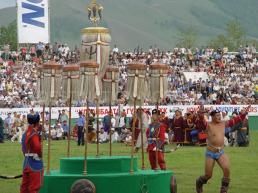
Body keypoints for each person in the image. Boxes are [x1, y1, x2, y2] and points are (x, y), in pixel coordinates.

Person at [196, 106, 250, 193]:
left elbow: (235, 120)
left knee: (227, 169)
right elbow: (202, 120)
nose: (219, 117)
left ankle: (223, 190)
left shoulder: (223, 123)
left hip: (220, 152)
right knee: (208, 175)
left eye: (220, 115)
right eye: (217, 115)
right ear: (212, 117)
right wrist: (201, 113)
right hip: (210, 153)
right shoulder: (208, 125)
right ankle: (199, 182)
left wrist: (243, 114)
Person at [20, 113, 43, 193]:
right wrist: (40, 155)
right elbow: (37, 147)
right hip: (34, 162)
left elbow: (23, 149)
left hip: (26, 162)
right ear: (37, 123)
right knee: (34, 188)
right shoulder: (34, 133)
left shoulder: (25, 134)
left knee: (24, 187)